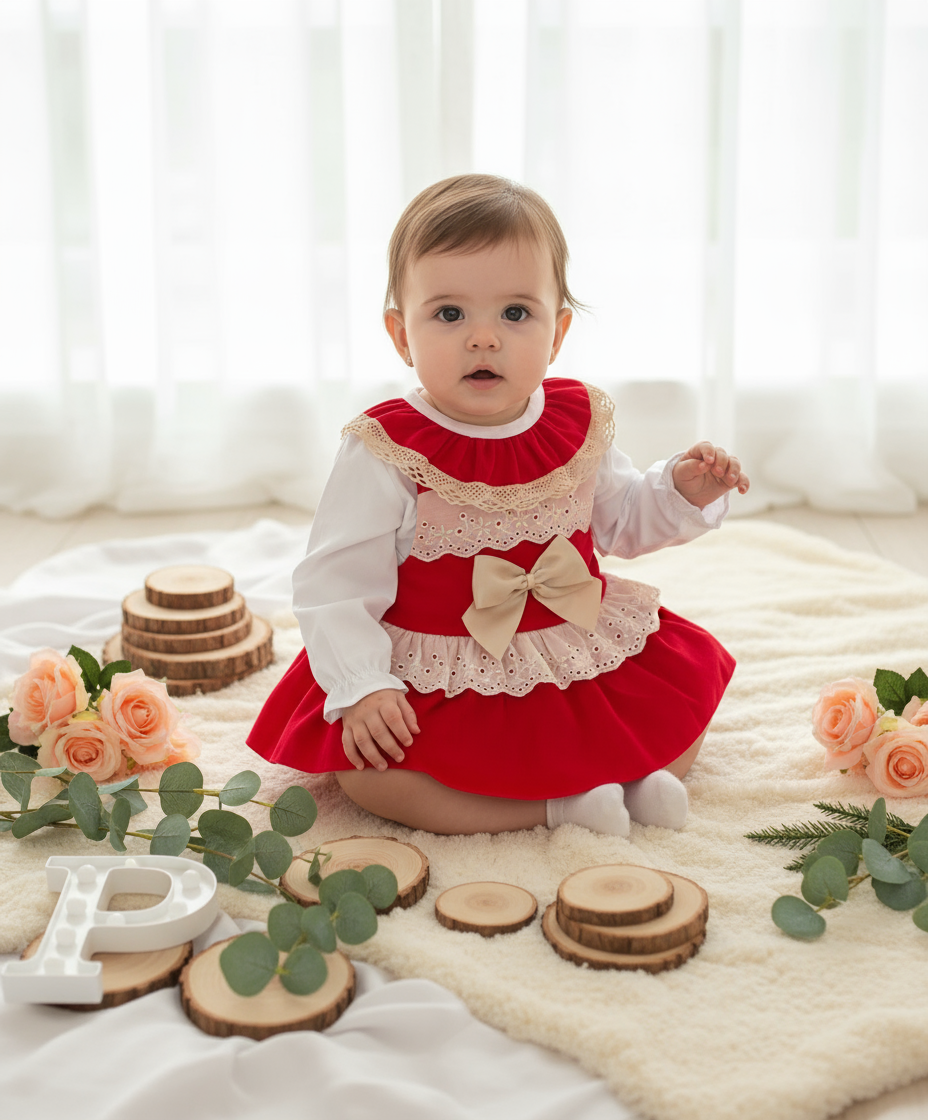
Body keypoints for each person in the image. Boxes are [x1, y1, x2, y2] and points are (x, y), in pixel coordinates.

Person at [247, 173, 749, 838]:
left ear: (557, 332)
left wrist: (680, 492)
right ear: (402, 336)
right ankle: (560, 808)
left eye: (515, 314)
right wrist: (364, 684)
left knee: (678, 704)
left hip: (570, 645)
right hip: (442, 663)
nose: (484, 338)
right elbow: (334, 583)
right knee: (372, 774)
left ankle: (642, 783)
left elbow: (622, 518)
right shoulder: (389, 447)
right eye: (449, 315)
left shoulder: (577, 421)